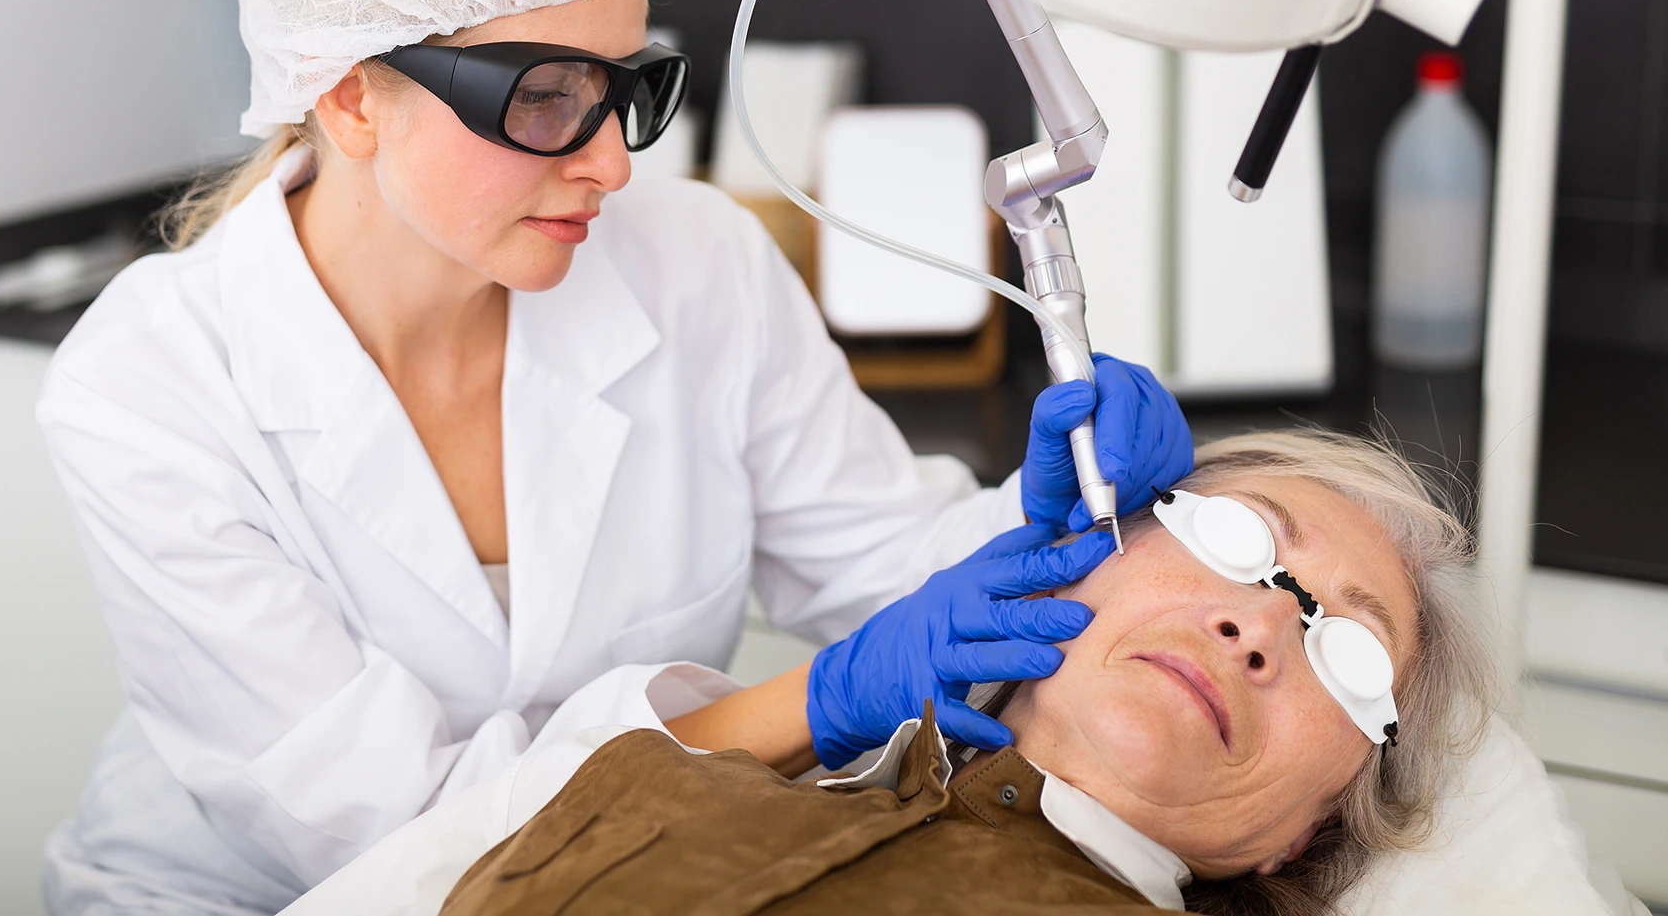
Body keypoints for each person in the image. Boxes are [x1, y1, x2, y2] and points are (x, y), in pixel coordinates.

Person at [37, 0, 1195, 915]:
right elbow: (400, 834)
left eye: (627, 90)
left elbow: (889, 564)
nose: (612, 166)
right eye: (545, 98)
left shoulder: (696, 263)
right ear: (348, 95)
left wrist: (1051, 523)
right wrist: (820, 701)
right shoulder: (146, 390)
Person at [284, 429, 1495, 916]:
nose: (1263, 630)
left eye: (1348, 648)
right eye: (1241, 542)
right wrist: (814, 702)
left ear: (1302, 837)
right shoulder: (677, 779)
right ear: (1088, 551)